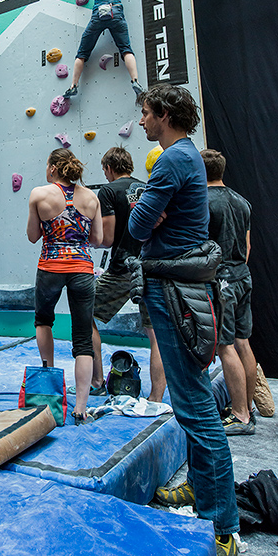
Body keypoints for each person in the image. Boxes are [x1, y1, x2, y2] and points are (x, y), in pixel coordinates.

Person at [128, 85, 240, 556]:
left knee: (195, 407)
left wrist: (142, 207)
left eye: (149, 114)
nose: (144, 122)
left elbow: (135, 227)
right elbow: (148, 220)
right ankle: (201, 487)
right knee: (192, 402)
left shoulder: (172, 161)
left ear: (166, 115)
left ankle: (222, 528)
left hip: (174, 289)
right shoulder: (186, 158)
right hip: (178, 285)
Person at [27, 148, 103, 424]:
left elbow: (33, 236)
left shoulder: (39, 194)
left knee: (43, 320)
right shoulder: (92, 197)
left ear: (52, 169)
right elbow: (97, 239)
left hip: (50, 267)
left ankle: (49, 380)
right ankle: (80, 407)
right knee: (83, 338)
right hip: (82, 269)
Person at [92, 147, 166, 402]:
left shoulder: (109, 191)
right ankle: (156, 398)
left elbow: (108, 238)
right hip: (152, 265)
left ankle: (97, 381)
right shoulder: (148, 188)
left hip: (124, 267)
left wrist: (89, 238)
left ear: (110, 168)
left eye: (105, 170)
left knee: (84, 314)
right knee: (155, 333)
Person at [200, 149, 257, 436]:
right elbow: (246, 249)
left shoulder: (204, 203)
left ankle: (240, 414)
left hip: (220, 280)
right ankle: (247, 406)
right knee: (243, 342)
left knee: (225, 347)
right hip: (242, 275)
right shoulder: (242, 202)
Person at [52, 0, 143, 99]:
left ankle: (73, 86)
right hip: (116, 12)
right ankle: (135, 81)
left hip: (98, 15)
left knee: (82, 53)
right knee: (126, 49)